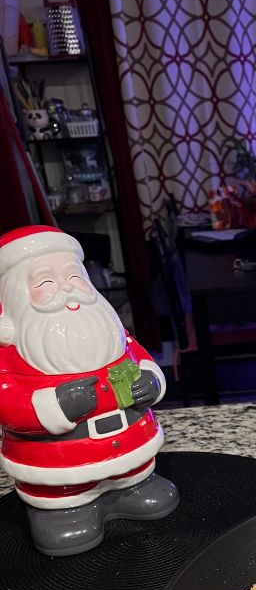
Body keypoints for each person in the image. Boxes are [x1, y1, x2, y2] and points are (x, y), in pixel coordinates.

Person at [0, 224, 178, 555]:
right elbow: (6, 398)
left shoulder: (108, 328)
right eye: (46, 282)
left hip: (130, 444)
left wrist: (151, 379)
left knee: (136, 475)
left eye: (74, 276)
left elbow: (136, 353)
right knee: (65, 497)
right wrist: (53, 406)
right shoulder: (10, 351)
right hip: (60, 463)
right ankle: (65, 512)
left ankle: (132, 487)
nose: (67, 290)